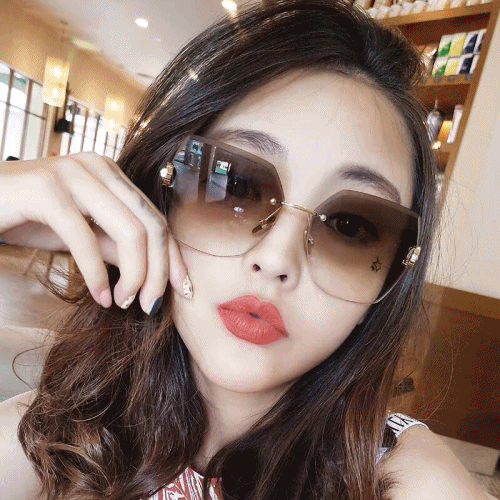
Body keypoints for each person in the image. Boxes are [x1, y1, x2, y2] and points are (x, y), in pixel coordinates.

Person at [0, 1, 495, 499]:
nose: (276, 259)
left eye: (349, 227)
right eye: (237, 187)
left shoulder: (399, 481)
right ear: (159, 196)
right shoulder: (60, 434)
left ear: (389, 277)